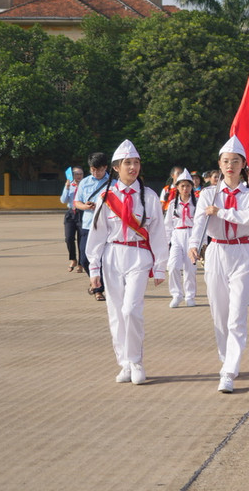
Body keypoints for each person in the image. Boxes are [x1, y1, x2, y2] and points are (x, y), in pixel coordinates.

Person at [85, 140, 168, 385]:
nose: (133, 167)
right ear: (116, 168)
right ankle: (124, 363)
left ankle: (136, 361)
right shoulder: (106, 197)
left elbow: (158, 232)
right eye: (127, 163)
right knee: (116, 313)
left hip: (138, 256)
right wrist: (94, 267)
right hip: (112, 256)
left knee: (131, 310)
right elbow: (97, 234)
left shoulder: (149, 196)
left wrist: (160, 265)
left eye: (136, 162)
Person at [189, 136, 249, 393]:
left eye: (235, 161)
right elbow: (199, 222)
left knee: (236, 316)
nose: (230, 165)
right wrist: (193, 244)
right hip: (217, 252)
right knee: (219, 314)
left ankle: (229, 370)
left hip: (243, 252)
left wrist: (221, 212)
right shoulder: (209, 194)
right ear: (219, 165)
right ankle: (226, 357)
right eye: (225, 161)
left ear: (243, 164)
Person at [75, 152, 112, 300]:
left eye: (99, 170)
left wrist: (100, 206)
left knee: (103, 259)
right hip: (88, 225)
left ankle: (98, 289)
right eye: (92, 170)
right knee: (84, 259)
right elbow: (77, 202)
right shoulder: (84, 182)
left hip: (105, 226)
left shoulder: (113, 183)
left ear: (105, 168)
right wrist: (86, 206)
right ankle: (98, 284)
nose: (96, 173)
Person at [165, 169, 198, 308]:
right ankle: (176, 294)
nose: (185, 189)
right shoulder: (173, 204)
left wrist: (200, 243)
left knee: (190, 269)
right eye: (182, 186)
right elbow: (167, 224)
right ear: (177, 187)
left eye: (188, 186)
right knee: (173, 266)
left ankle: (190, 296)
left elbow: (200, 224)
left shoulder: (197, 203)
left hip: (192, 235)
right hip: (177, 235)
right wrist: (165, 243)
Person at [60, 166, 85, 273]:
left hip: (82, 213)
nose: (79, 176)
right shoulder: (70, 185)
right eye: (76, 174)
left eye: (80, 174)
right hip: (71, 213)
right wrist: (67, 187)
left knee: (81, 240)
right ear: (72, 175)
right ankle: (73, 259)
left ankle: (81, 263)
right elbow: (63, 200)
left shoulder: (86, 185)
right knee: (69, 238)